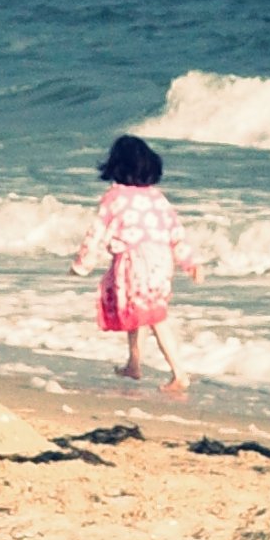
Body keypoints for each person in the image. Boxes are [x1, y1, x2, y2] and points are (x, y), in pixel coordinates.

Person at [72, 133, 201, 396]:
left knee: (154, 318)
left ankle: (180, 374)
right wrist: (189, 262)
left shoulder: (115, 196)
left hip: (134, 261)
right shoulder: (157, 197)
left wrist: (82, 264)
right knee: (142, 312)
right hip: (161, 260)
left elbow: (97, 231)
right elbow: (175, 231)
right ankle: (134, 363)